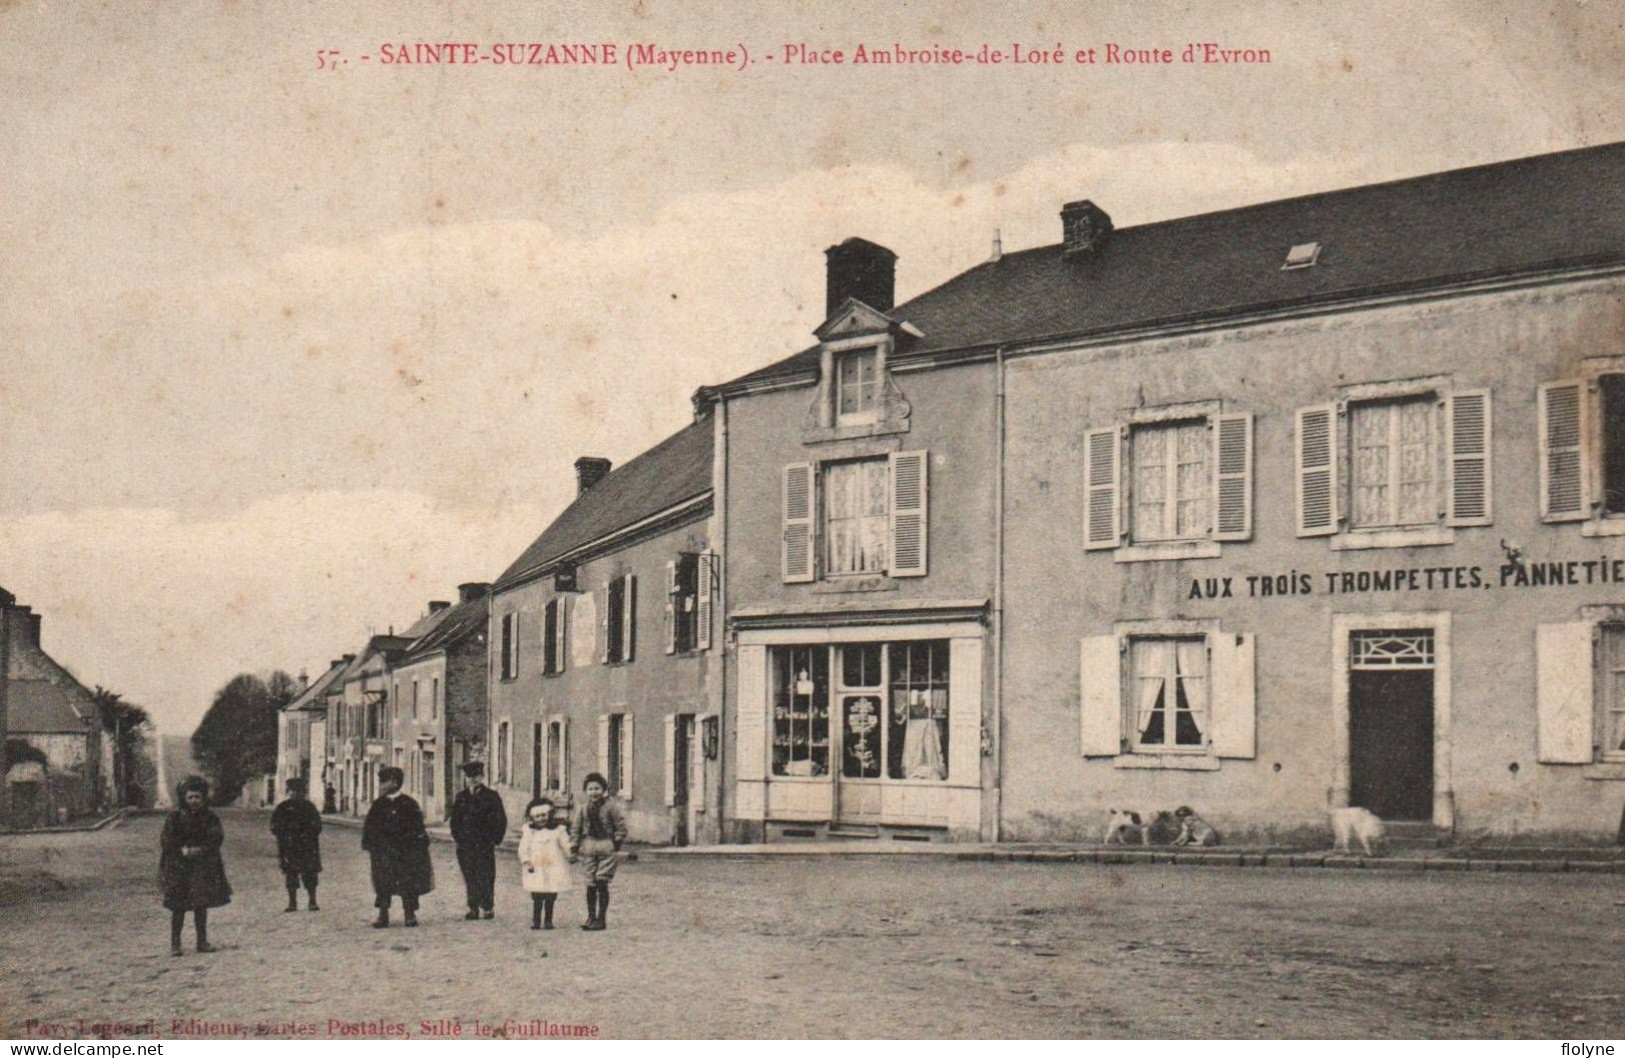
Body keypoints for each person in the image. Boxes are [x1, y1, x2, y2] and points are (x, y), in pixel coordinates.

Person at [159, 776, 231, 956]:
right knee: (178, 905)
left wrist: (201, 850)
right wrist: (180, 850)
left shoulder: (210, 817)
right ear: (183, 798)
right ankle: (175, 943)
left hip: (202, 866)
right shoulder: (174, 818)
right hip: (178, 866)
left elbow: (216, 838)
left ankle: (202, 941)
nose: (193, 801)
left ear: (203, 798)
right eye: (190, 797)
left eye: (197, 797)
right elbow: (167, 840)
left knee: (201, 904)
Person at [361, 766, 433, 928]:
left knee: (408, 882)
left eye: (384, 782)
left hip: (405, 853)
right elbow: (369, 827)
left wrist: (415, 846)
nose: (381, 786)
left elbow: (418, 828)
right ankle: (383, 914)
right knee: (382, 882)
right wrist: (372, 845)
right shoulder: (378, 805)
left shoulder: (409, 804)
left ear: (394, 782)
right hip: (383, 852)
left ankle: (410, 913)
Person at [449, 760, 508, 920]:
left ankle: (488, 907)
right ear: (465, 778)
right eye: (469, 776)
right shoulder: (461, 797)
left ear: (482, 776)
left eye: (476, 776)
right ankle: (473, 907)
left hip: (484, 845)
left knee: (486, 875)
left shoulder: (491, 797)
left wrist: (495, 840)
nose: (472, 779)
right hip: (466, 846)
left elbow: (500, 820)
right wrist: (459, 839)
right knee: (470, 876)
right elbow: (454, 822)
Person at [568, 772, 627, 931]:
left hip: (606, 846)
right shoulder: (583, 809)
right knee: (590, 883)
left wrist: (616, 843)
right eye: (590, 789)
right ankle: (591, 916)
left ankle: (601, 919)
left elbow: (620, 826)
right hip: (588, 847)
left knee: (602, 881)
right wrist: (574, 845)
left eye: (597, 788)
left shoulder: (611, 807)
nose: (594, 792)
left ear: (604, 790)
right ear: (586, 791)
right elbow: (576, 828)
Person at [516, 796, 572, 930]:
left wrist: (571, 852)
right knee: (537, 894)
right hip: (536, 866)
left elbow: (566, 844)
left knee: (551, 894)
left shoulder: (558, 830)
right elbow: (523, 848)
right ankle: (536, 921)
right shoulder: (529, 831)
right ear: (532, 818)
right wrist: (526, 861)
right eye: (537, 816)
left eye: (544, 815)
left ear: (549, 815)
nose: (541, 819)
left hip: (553, 865)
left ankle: (548, 920)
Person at [269, 777, 323, 911]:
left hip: (307, 846)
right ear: (289, 792)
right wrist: (284, 834)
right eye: (294, 791)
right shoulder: (283, 808)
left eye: (300, 792)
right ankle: (292, 902)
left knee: (310, 874)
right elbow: (274, 826)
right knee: (291, 874)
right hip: (289, 846)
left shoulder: (309, 807)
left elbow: (318, 826)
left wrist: (309, 834)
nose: (297, 794)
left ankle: (312, 901)